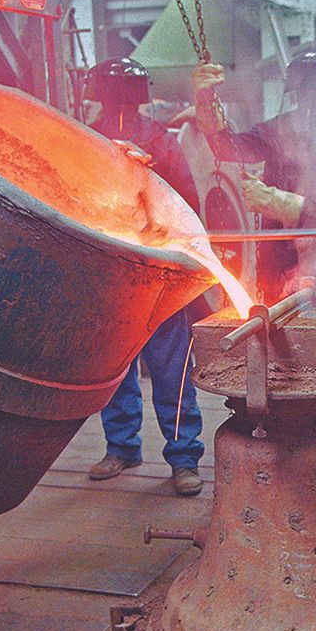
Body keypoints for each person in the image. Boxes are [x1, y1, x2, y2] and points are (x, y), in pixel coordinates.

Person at [82, 57, 205, 497]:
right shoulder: (86, 140)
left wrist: (149, 177)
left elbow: (187, 202)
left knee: (171, 369)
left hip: (156, 276)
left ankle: (184, 456)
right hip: (108, 277)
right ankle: (122, 447)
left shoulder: (160, 142)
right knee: (115, 369)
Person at [191, 52, 316, 298]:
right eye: (306, 96)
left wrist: (284, 204)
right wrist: (205, 101)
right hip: (279, 266)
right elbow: (228, 148)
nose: (311, 104)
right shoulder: (279, 129)